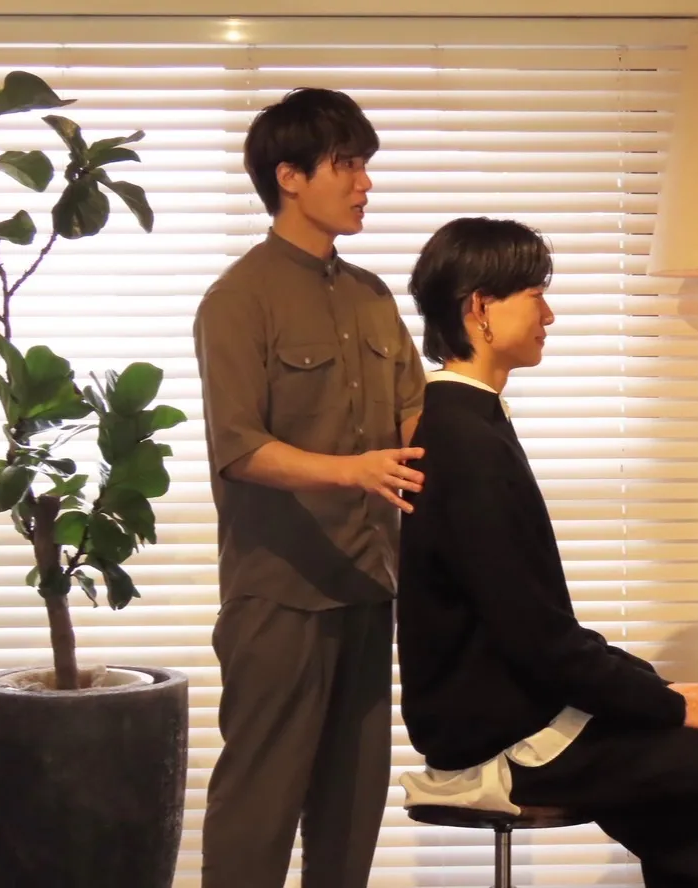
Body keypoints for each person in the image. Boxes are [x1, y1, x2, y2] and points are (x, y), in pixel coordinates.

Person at [395, 217, 698, 888]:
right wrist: (667, 704)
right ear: (480, 308)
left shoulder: (470, 425)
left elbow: (538, 630)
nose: (549, 315)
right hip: (501, 734)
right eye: (536, 295)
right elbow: (538, 639)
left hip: (518, 710)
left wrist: (656, 691)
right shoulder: (467, 444)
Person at [192, 87, 427, 888]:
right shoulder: (237, 300)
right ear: (289, 176)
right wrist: (350, 470)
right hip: (278, 595)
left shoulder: (373, 296)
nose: (365, 183)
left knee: (352, 807)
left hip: (370, 581)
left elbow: (415, 419)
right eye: (347, 165)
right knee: (258, 807)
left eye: (364, 165)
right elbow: (238, 448)